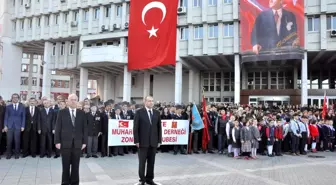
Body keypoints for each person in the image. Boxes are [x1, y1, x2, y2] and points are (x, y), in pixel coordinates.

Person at [55, 94, 88, 185]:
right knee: (65, 166)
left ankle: (74, 182)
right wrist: (57, 141)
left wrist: (84, 142)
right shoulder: (62, 112)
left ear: (77, 101)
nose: (73, 101)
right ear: (67, 101)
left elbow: (85, 128)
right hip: (65, 143)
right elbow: (58, 128)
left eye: (75, 99)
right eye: (71, 99)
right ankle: (65, 182)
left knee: (76, 166)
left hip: (77, 144)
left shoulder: (81, 113)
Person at [133, 96, 161, 185]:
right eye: (149, 101)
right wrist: (136, 140)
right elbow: (135, 128)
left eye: (152, 101)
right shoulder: (139, 112)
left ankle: (150, 179)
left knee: (151, 162)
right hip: (142, 142)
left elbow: (159, 127)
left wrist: (159, 140)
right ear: (145, 102)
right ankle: (142, 180)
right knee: (142, 163)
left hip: (153, 142)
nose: (151, 103)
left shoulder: (157, 113)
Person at [4, 93, 25, 159]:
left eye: (16, 97)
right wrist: (5, 125)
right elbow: (6, 117)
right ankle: (8, 154)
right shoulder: (8, 107)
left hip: (18, 126)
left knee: (17, 141)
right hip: (9, 126)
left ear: (18, 98)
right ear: (12, 98)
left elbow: (23, 117)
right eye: (13, 97)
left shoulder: (22, 107)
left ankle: (16, 154)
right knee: (9, 141)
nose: (15, 98)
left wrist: (23, 126)